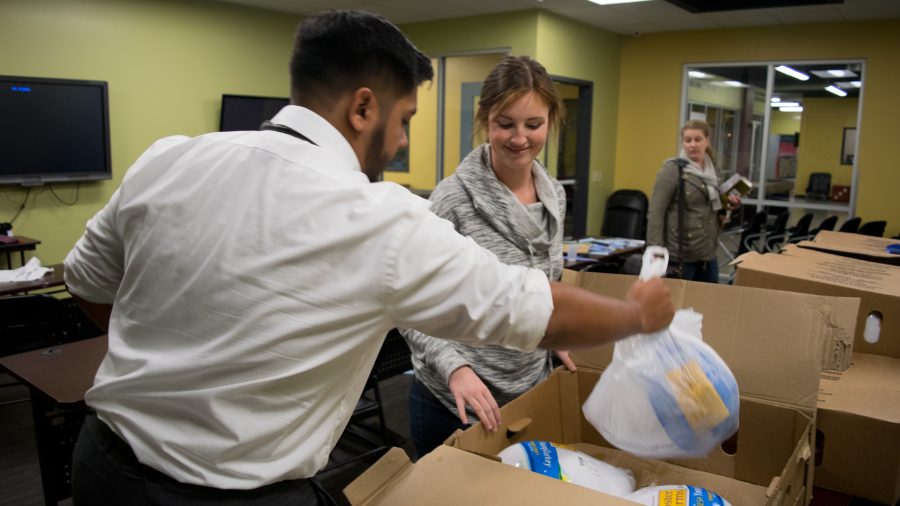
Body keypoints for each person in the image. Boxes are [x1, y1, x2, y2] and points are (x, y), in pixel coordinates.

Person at [65, 10, 674, 505]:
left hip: (100, 464)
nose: (405, 139)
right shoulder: (380, 217)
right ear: (363, 109)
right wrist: (637, 314)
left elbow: (86, 283)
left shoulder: (169, 157)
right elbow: (529, 308)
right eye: (404, 118)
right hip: (233, 495)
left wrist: (167, 359)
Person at [401, 55, 575, 458]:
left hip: (530, 392)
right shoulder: (453, 199)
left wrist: (556, 335)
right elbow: (408, 300)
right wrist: (454, 368)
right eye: (505, 124)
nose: (519, 138)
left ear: (551, 120)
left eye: (534, 125)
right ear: (485, 120)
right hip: (457, 402)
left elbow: (545, 286)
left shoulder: (555, 196)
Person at [646, 120, 739, 283]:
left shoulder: (713, 169)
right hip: (680, 255)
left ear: (707, 141)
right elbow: (656, 212)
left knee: (707, 303)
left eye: (698, 139)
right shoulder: (672, 169)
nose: (693, 145)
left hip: (707, 252)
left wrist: (729, 204)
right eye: (688, 140)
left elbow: (714, 204)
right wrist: (656, 251)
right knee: (677, 306)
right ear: (683, 143)